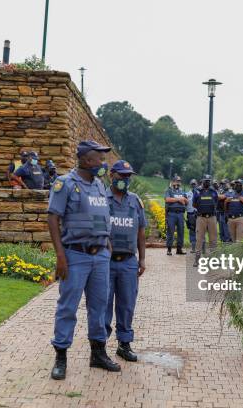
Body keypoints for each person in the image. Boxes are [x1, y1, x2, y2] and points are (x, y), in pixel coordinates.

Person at [47, 140, 119, 380]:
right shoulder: (65, 184)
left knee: (99, 306)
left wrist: (106, 241)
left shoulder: (99, 185)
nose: (103, 163)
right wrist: (60, 256)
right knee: (68, 306)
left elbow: (101, 216)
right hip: (75, 255)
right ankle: (61, 356)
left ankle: (97, 353)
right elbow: (53, 219)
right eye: (100, 158)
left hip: (100, 256)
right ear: (87, 160)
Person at [105, 160, 146, 362]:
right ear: (112, 175)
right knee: (102, 304)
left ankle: (124, 344)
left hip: (129, 261)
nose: (125, 179)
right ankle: (99, 346)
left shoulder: (135, 201)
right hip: (106, 261)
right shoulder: (102, 199)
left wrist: (143, 259)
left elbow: (141, 231)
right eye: (122, 176)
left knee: (127, 304)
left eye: (128, 176)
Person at [192, 175, 220, 267]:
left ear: (210, 181)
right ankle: (197, 259)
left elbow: (216, 202)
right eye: (206, 181)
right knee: (199, 239)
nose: (207, 182)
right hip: (201, 218)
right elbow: (194, 204)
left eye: (209, 181)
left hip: (212, 217)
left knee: (213, 239)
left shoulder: (213, 191)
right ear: (203, 181)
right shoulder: (197, 191)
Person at [164, 175, 187, 256]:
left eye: (179, 181)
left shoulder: (182, 191)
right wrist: (179, 199)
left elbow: (186, 200)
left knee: (181, 231)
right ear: (173, 181)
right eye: (177, 181)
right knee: (171, 231)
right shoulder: (169, 190)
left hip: (180, 213)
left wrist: (184, 200)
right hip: (172, 214)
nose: (178, 183)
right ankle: (169, 249)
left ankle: (179, 249)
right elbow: (167, 199)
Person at [216, 179, 232, 243]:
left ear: (228, 183)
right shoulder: (222, 191)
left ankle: (228, 246)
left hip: (227, 214)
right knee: (221, 232)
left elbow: (221, 197)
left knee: (227, 232)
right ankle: (223, 245)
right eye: (222, 184)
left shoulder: (230, 191)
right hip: (220, 213)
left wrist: (213, 194)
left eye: (224, 184)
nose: (223, 185)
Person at [185, 179, 198, 253]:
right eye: (192, 184)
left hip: (198, 214)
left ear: (197, 184)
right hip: (190, 214)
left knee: (199, 231)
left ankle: (200, 247)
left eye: (194, 184)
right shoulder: (187, 194)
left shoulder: (199, 193)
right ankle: (193, 247)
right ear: (190, 185)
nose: (193, 185)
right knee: (192, 230)